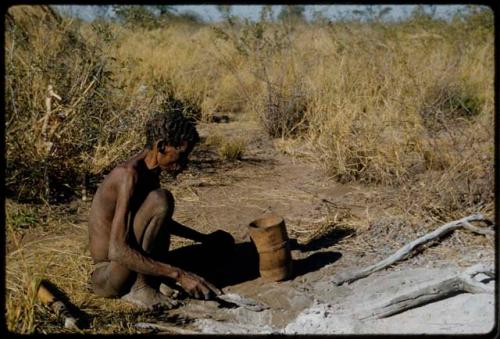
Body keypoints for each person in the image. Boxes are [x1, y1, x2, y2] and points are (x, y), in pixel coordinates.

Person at [88, 110, 233, 310]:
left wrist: (203, 238)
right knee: (161, 199)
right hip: (109, 277)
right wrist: (178, 274)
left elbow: (154, 221)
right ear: (162, 146)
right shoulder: (128, 176)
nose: (184, 164)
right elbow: (118, 251)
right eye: (181, 156)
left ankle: (151, 281)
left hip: (126, 266)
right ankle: (141, 287)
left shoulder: (149, 172)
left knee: (218, 246)